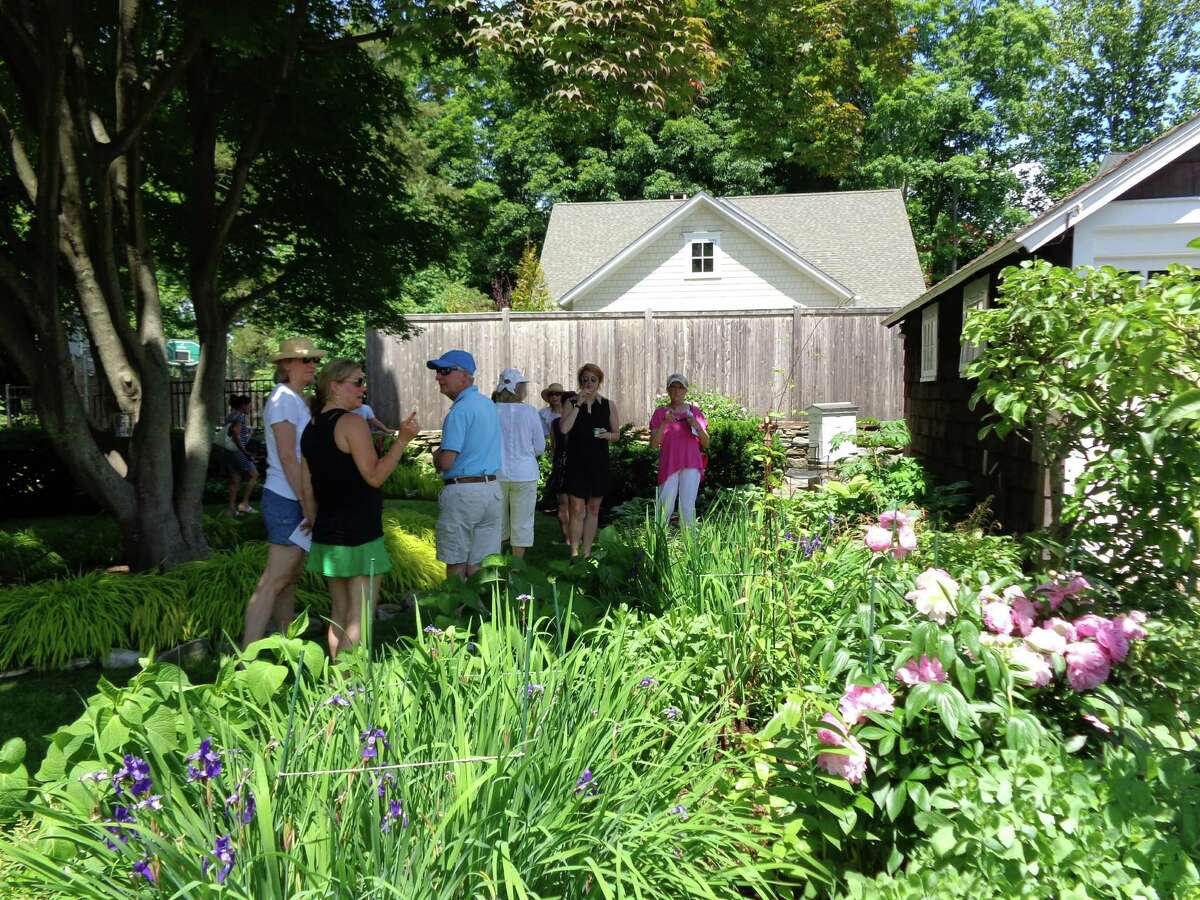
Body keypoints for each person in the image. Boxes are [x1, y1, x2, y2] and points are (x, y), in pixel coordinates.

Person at [301, 359, 419, 660]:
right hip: (360, 530)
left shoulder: (311, 427)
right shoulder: (351, 423)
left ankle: (336, 689)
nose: (363, 388)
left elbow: (306, 488)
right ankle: (349, 693)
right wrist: (402, 440)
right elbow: (375, 475)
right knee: (361, 615)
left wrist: (316, 522)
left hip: (327, 531)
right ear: (334, 386)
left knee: (339, 614)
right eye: (357, 382)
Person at [242, 337, 323, 648]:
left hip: (295, 498)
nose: (313, 365)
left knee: (288, 580)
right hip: (287, 498)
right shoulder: (282, 400)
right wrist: (306, 502)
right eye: (305, 360)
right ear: (286, 365)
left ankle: (287, 646)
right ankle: (246, 657)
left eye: (315, 360)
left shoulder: (295, 399)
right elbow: (289, 458)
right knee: (274, 580)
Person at [427, 349, 503, 579]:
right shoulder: (487, 405)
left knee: (456, 563)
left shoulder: (459, 411)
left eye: (444, 371)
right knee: (480, 564)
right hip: (492, 492)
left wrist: (435, 455)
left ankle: (456, 614)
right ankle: (480, 613)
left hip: (463, 494)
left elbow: (446, 462)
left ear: (465, 375)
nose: (438, 377)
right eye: (438, 371)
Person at [558, 362, 619, 557]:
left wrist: (606, 435)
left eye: (593, 379)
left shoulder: (608, 405)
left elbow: (617, 434)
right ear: (580, 382)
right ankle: (574, 552)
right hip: (577, 462)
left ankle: (586, 552)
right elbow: (564, 429)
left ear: (599, 381)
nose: (589, 383)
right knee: (576, 508)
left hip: (598, 462)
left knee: (593, 508)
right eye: (585, 380)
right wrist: (578, 405)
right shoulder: (571, 403)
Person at [493, 368, 545, 558]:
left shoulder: (491, 410)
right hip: (525, 474)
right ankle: (517, 569)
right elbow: (540, 446)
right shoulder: (530, 412)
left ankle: (495, 568)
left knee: (496, 521)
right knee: (522, 522)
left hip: (496, 473)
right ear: (519, 389)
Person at [649, 373, 709, 528]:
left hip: (691, 464)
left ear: (685, 391)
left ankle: (689, 548)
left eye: (680, 388)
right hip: (669, 464)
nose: (677, 391)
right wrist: (664, 423)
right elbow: (654, 445)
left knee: (687, 508)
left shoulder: (694, 412)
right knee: (664, 507)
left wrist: (696, 425)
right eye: (673, 387)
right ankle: (658, 547)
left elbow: (706, 443)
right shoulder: (660, 413)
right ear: (668, 390)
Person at [541, 383, 571, 542]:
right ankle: (572, 538)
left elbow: (553, 446)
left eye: (558, 395)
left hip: (561, 464)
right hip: (570, 464)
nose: (554, 397)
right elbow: (552, 445)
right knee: (572, 505)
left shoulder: (555, 423)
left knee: (564, 505)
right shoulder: (553, 420)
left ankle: (568, 538)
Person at [224, 395, 258, 517]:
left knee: (235, 479)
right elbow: (236, 437)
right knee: (254, 475)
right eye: (249, 405)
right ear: (243, 405)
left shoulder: (230, 415)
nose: (250, 407)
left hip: (229, 452)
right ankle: (244, 504)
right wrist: (245, 452)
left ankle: (231, 509)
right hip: (238, 452)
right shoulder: (239, 417)